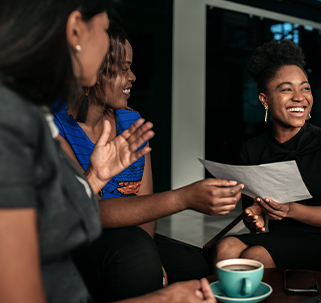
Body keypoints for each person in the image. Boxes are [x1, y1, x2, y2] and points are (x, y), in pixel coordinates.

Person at [0, 1, 215, 302]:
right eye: (103, 30)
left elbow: (51, 228)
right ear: (76, 29)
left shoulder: (26, 114)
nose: (131, 76)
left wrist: (97, 178)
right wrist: (160, 299)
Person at [51, 22, 230, 301]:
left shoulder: (132, 122)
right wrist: (183, 197)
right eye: (123, 69)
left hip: (132, 239)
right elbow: (89, 211)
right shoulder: (56, 128)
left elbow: (146, 205)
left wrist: (151, 256)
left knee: (192, 265)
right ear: (93, 69)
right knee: (133, 251)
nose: (133, 77)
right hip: (78, 241)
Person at [214, 40, 321, 272]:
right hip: (278, 238)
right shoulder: (252, 149)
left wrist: (291, 209)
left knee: (255, 255)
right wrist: (253, 219)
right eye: (287, 89)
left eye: (305, 88)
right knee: (226, 246)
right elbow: (254, 212)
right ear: (264, 99)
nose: (299, 97)